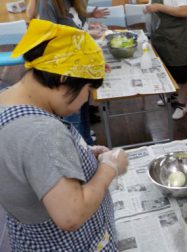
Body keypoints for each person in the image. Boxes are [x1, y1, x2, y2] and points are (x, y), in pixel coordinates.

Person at [0, 19, 129, 251]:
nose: (84, 101)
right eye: (87, 91)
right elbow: (71, 214)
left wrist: (81, 155)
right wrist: (109, 168)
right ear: (63, 78)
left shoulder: (7, 100)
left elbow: (30, 164)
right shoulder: (41, 131)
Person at [38, 0, 110, 144]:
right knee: (73, 120)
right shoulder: (48, 3)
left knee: (83, 110)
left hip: (81, 66)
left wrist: (93, 58)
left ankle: (88, 144)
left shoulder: (76, 2)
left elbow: (77, 26)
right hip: (66, 71)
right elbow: (50, 40)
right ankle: (81, 150)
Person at [144, 0, 187, 120]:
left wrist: (158, 7)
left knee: (180, 72)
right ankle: (172, 96)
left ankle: (182, 105)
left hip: (178, 35)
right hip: (163, 35)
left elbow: (183, 11)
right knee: (167, 68)